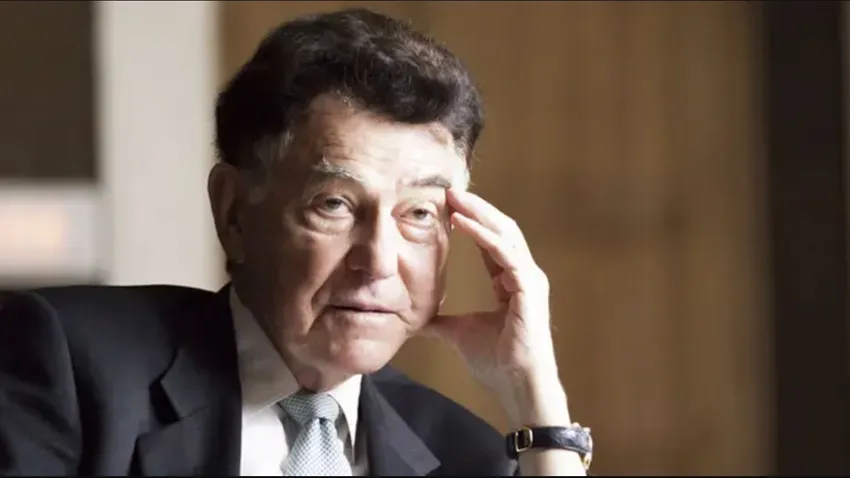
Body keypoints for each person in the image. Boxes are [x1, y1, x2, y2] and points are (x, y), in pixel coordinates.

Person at [0, 8, 593, 477]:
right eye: (335, 204)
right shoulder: (68, 367)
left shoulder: (468, 456)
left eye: (418, 213)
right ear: (233, 212)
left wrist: (536, 397)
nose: (379, 262)